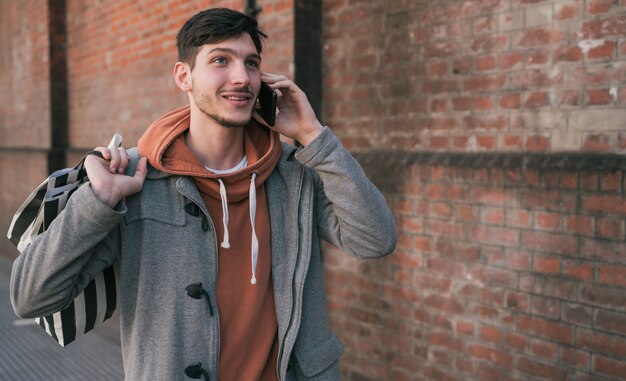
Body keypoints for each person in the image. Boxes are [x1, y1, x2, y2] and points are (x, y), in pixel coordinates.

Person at [10, 7, 396, 381]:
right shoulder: (135, 179)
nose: (242, 77)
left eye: (251, 63)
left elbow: (374, 239)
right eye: (220, 61)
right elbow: (31, 298)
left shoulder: (294, 170)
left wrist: (315, 137)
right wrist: (95, 204)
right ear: (184, 76)